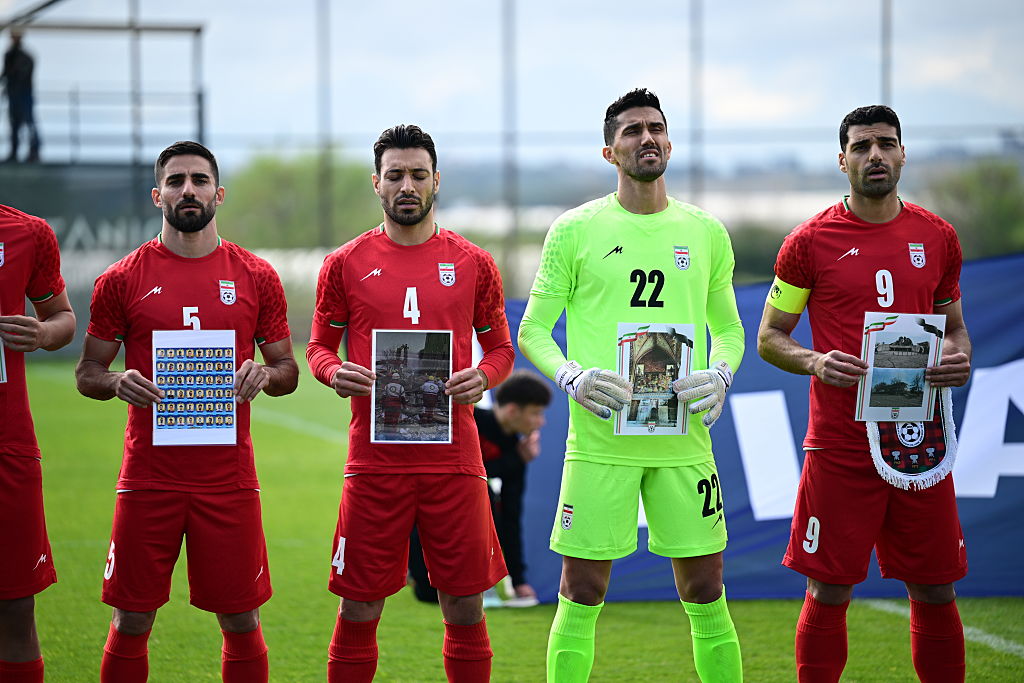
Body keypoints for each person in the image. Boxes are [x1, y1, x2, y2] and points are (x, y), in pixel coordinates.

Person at [518, 88, 745, 682]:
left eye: (656, 128)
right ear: (609, 151)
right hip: (601, 441)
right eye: (632, 131)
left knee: (706, 587)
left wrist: (721, 374)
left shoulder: (705, 231)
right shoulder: (574, 230)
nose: (648, 138)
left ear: (669, 142)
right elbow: (533, 329)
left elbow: (729, 330)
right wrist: (571, 375)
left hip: (683, 441)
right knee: (581, 588)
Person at [756, 105, 972, 683]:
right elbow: (770, 338)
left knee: (935, 585)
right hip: (840, 443)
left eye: (885, 143)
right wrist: (815, 361)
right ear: (842, 160)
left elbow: (954, 328)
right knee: (828, 588)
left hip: (918, 438)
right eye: (861, 146)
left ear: (902, 154)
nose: (874, 154)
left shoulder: (937, 236)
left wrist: (958, 355)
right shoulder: (807, 242)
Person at [75, 140, 299, 683]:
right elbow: (87, 373)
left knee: (241, 619)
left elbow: (288, 370)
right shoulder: (121, 279)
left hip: (228, 479)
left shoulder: (256, 275)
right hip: (149, 477)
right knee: (131, 618)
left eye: (200, 180)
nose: (188, 190)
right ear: (158, 196)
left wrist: (265, 375)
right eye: (175, 181)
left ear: (219, 194)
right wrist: (116, 380)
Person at [306, 124, 514, 682]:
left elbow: (501, 350)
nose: (407, 185)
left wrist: (482, 376)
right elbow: (319, 347)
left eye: (418, 175)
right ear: (376, 183)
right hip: (375, 462)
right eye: (395, 175)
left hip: (454, 461)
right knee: (359, 604)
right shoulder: (344, 263)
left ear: (436, 181)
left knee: (464, 604)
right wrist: (334, 372)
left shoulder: (473, 262)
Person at [0, 204, 75, 683]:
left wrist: (43, 332)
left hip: (6, 446)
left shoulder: (26, 232)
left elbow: (62, 318)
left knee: (15, 607)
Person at [409, 369, 552, 607]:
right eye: (536, 413)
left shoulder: (515, 450)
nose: (541, 422)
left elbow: (511, 517)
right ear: (512, 411)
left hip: (458, 512)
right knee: (427, 593)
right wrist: (513, 461)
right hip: (426, 508)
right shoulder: (469, 419)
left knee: (486, 497)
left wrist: (519, 581)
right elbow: (453, 472)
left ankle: (482, 580)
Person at [1, 30, 40, 163]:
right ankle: (14, 152)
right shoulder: (9, 55)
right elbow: (6, 74)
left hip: (24, 94)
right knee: (15, 124)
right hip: (14, 95)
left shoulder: (26, 57)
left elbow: (22, 75)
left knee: (29, 122)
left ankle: (34, 151)